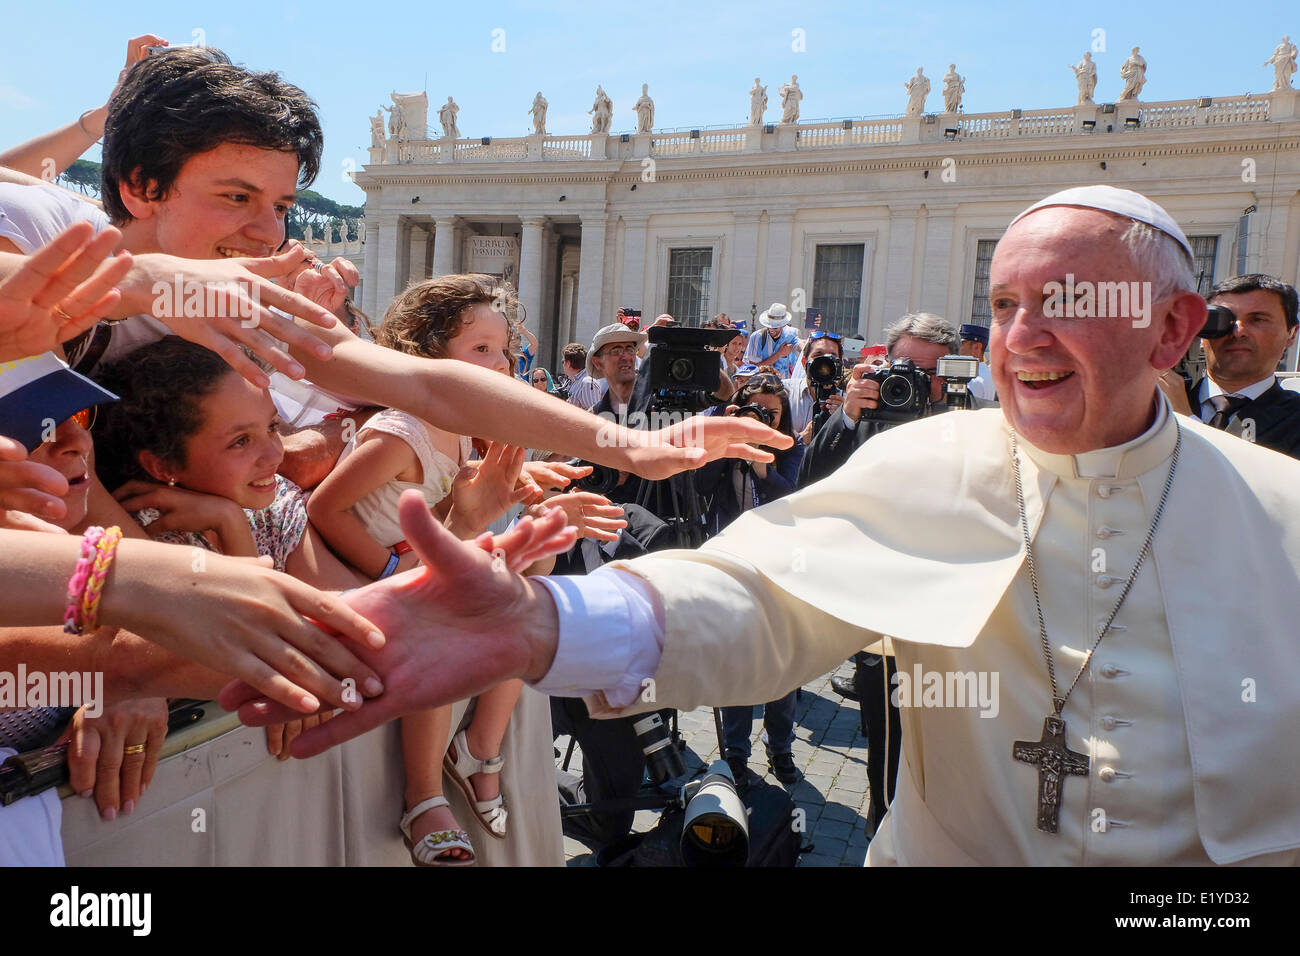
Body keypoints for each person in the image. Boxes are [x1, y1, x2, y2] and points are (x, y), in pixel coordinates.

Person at [227, 184, 1300, 867]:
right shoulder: (931, 462)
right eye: (1005, 302)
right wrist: (542, 623)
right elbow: (759, 595)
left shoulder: (1281, 511)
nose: (1019, 336)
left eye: (1062, 301)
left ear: (1170, 328)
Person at [0, 46, 783, 489]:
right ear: (140, 186)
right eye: (237, 195)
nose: (264, 230)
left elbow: (423, 382)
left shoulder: (259, 296)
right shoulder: (47, 220)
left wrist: (629, 446)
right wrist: (154, 285)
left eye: (282, 205)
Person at [309, 275, 537, 866]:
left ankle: (478, 745)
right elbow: (324, 508)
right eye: (480, 349)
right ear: (427, 356)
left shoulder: (459, 430)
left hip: (413, 568)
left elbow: (439, 516)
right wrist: (389, 566)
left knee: (533, 574)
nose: (499, 363)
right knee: (461, 623)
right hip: (372, 582)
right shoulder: (401, 431)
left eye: (503, 349)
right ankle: (424, 794)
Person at [694, 376, 806, 785]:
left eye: (770, 414)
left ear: (782, 417)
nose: (762, 419)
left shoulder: (792, 448)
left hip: (781, 570)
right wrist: (723, 445)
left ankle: (781, 747)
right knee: (737, 663)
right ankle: (737, 753)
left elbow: (792, 498)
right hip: (733, 565)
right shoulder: (727, 446)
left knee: (781, 666)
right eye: (753, 410)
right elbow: (700, 487)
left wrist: (762, 466)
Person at [1183, 274, 1300, 458]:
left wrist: (1184, 420)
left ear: (1291, 334)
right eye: (1223, 320)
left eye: (1258, 320)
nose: (1238, 331)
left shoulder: (1295, 418)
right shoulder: (1156, 405)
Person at [783, 330, 846, 443]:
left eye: (832, 356)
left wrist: (846, 419)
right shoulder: (783, 392)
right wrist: (801, 438)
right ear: (804, 362)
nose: (825, 362)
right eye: (818, 355)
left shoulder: (848, 404)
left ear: (840, 365)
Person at [587, 322, 648, 425]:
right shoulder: (594, 417)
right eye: (616, 351)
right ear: (598, 363)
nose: (627, 357)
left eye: (630, 350)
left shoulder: (656, 407)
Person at [744, 303, 801, 379]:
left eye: (775, 327)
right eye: (769, 326)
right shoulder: (756, 337)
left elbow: (801, 346)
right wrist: (779, 354)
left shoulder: (790, 335)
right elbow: (752, 369)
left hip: (783, 385)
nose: (771, 330)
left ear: (783, 325)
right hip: (761, 386)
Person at [959, 324, 997, 403]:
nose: (958, 348)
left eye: (962, 344)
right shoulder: (988, 373)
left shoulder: (974, 379)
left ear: (977, 347)